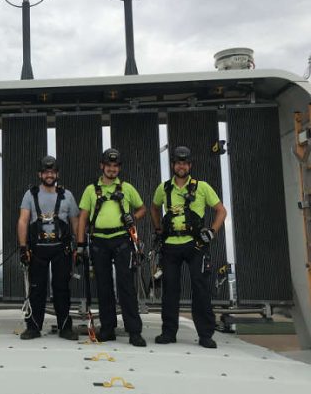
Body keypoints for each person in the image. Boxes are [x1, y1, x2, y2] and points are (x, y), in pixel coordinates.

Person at [150, 145, 227, 349]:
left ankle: (205, 334)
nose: (181, 166)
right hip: (170, 245)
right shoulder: (164, 188)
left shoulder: (202, 187)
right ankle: (168, 332)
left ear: (190, 165)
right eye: (178, 162)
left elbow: (221, 211)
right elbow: (154, 207)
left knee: (200, 288)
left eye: (185, 163)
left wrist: (212, 231)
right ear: (173, 165)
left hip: (196, 245)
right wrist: (158, 229)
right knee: (170, 289)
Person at [76, 148, 147, 347]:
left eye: (116, 166)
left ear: (119, 168)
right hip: (98, 242)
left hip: (122, 240)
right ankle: (108, 329)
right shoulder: (91, 190)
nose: (112, 169)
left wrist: (133, 217)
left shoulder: (127, 188)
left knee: (126, 286)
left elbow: (143, 209)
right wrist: (80, 245)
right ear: (102, 166)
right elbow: (82, 217)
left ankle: (134, 331)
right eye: (109, 165)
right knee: (104, 287)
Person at [17, 155, 80, 340]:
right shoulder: (30, 194)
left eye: (52, 172)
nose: (49, 175)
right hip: (37, 250)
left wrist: (79, 246)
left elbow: (75, 221)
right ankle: (33, 327)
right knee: (36, 288)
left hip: (62, 250)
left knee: (62, 288)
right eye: (46, 172)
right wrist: (22, 247)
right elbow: (23, 220)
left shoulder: (67, 195)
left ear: (57, 174)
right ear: (40, 174)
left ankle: (65, 328)